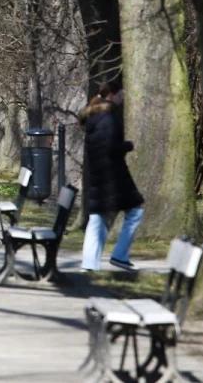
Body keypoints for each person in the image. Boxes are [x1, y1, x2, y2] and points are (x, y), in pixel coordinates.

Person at [79, 80, 144, 272]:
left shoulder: (94, 116)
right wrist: (127, 146)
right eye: (121, 95)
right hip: (113, 175)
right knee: (135, 211)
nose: (122, 99)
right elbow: (109, 147)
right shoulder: (108, 117)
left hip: (99, 175)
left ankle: (90, 264)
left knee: (97, 218)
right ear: (112, 95)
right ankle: (119, 255)